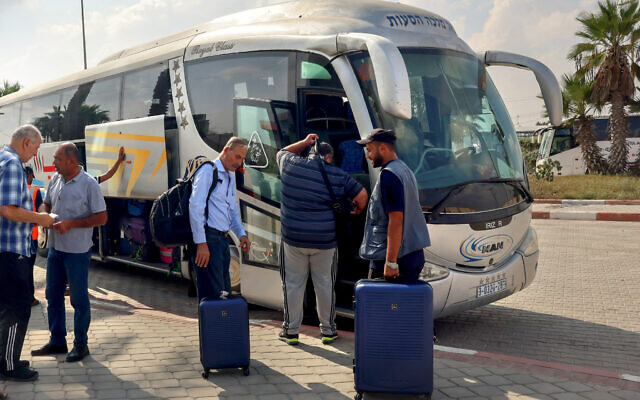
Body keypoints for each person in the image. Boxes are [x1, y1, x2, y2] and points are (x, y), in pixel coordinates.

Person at [277, 134, 368, 345]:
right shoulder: (337, 175)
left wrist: (305, 141)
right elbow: (362, 195)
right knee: (325, 285)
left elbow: (281, 152)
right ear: (329, 157)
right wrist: (355, 210)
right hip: (325, 242)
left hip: (293, 240)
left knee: (293, 284)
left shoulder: (290, 165)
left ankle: (290, 332)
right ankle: (328, 331)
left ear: (310, 152)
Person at [31, 143, 107, 363]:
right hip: (56, 249)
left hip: (77, 252)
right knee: (52, 296)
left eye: (57, 159)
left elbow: (102, 217)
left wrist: (72, 223)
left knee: (78, 299)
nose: (53, 162)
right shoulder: (55, 179)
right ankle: (57, 341)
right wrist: (44, 215)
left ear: (72, 161)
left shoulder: (89, 184)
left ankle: (81, 345)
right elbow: (46, 203)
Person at [0, 124, 55, 382]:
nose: (36, 154)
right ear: (26, 143)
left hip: (5, 250)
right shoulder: (12, 164)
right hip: (12, 253)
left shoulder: (2, 158)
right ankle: (9, 365)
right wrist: (40, 219)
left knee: (7, 308)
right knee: (18, 308)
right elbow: (9, 210)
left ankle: (6, 357)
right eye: (36, 147)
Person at [357, 128, 430, 281]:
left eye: (369, 150)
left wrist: (391, 262)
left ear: (382, 148)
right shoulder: (404, 169)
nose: (367, 155)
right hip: (411, 255)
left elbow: (396, 220)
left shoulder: (389, 176)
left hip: (395, 258)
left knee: (376, 303)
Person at [189, 137, 251, 302]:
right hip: (209, 240)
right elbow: (195, 207)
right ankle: (212, 328)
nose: (239, 162)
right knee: (213, 296)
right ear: (226, 150)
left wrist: (241, 234)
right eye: (238, 157)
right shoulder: (208, 171)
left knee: (224, 294)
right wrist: (201, 243)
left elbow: (232, 211)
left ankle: (221, 328)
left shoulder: (230, 176)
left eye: (243, 159)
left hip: (222, 241)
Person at [24, 166, 43, 306]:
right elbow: (41, 211)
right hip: (31, 235)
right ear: (29, 175)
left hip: (16, 235)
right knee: (29, 268)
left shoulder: (12, 188)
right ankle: (30, 298)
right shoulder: (35, 190)